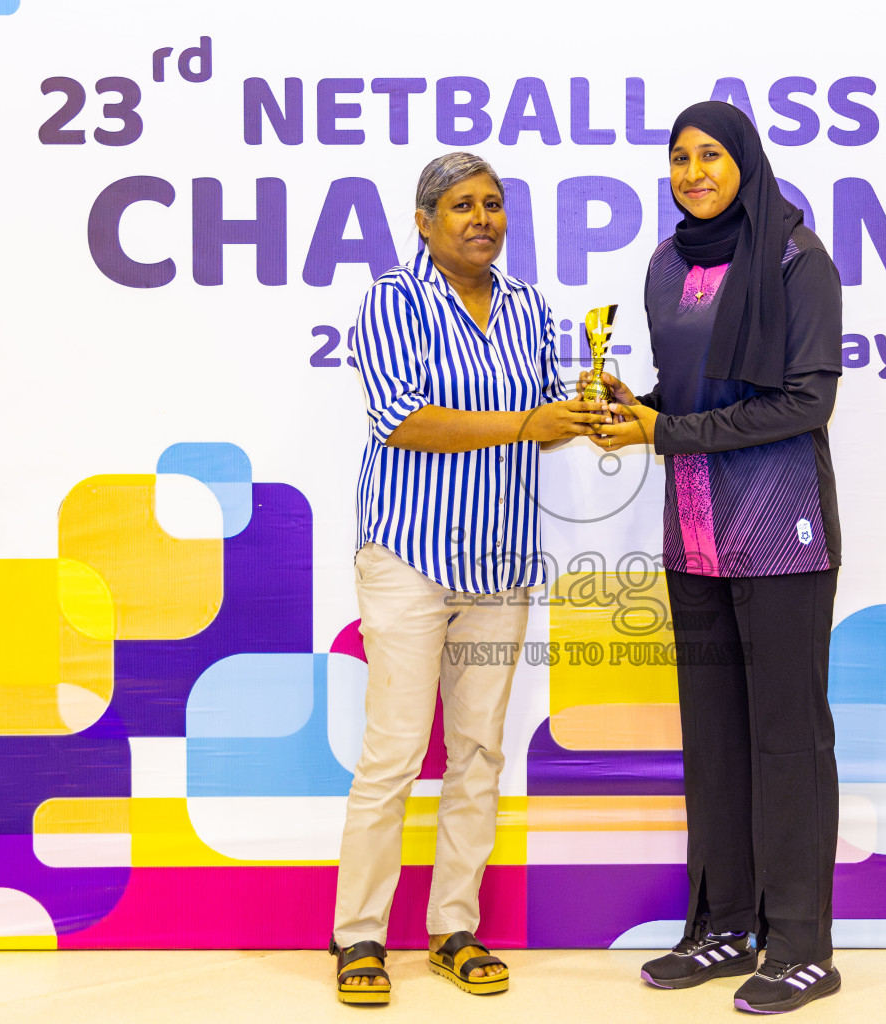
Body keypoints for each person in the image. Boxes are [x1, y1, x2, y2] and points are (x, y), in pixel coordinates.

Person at [589, 101, 845, 1014]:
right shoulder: (668, 266)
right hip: (694, 535)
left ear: (745, 161)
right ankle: (727, 925)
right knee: (715, 739)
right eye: (678, 157)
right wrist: (636, 405)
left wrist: (671, 427)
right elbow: (690, 396)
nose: (693, 171)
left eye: (710, 155)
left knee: (788, 739)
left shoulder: (794, 258)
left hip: (781, 533)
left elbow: (802, 403)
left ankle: (804, 944)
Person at [332, 152, 602, 1006]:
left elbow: (538, 422)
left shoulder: (527, 306)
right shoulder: (392, 300)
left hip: (500, 566)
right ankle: (359, 938)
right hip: (410, 558)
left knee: (479, 752)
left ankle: (454, 926)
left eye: (493, 205)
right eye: (460, 206)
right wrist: (530, 419)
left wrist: (585, 410)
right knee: (396, 751)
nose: (481, 218)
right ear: (423, 221)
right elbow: (403, 421)